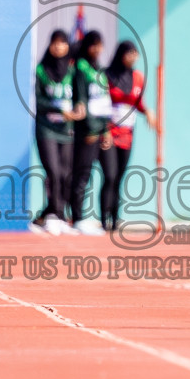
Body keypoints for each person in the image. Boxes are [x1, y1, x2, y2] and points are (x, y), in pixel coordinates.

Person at [103, 40, 154, 232]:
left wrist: (148, 112)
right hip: (109, 132)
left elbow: (139, 103)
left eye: (135, 53)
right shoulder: (107, 76)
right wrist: (104, 129)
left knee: (119, 177)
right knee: (109, 174)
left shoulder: (138, 78)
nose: (132, 57)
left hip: (127, 134)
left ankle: (115, 219)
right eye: (129, 53)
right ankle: (103, 218)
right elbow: (102, 103)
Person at [32, 30, 80, 235]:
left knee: (65, 174)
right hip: (46, 129)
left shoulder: (72, 70)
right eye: (55, 43)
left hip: (66, 130)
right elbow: (40, 102)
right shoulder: (42, 70)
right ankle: (52, 216)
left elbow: (81, 95)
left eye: (63, 43)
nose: (59, 46)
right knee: (53, 171)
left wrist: (80, 107)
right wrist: (61, 111)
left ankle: (55, 216)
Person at [70, 31, 112, 236]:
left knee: (100, 174)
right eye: (93, 45)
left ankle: (86, 216)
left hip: (100, 129)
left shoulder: (99, 70)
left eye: (100, 45)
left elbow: (103, 101)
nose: (97, 49)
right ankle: (77, 217)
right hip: (87, 130)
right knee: (82, 174)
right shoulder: (80, 68)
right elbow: (81, 100)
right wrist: (89, 128)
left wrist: (105, 130)